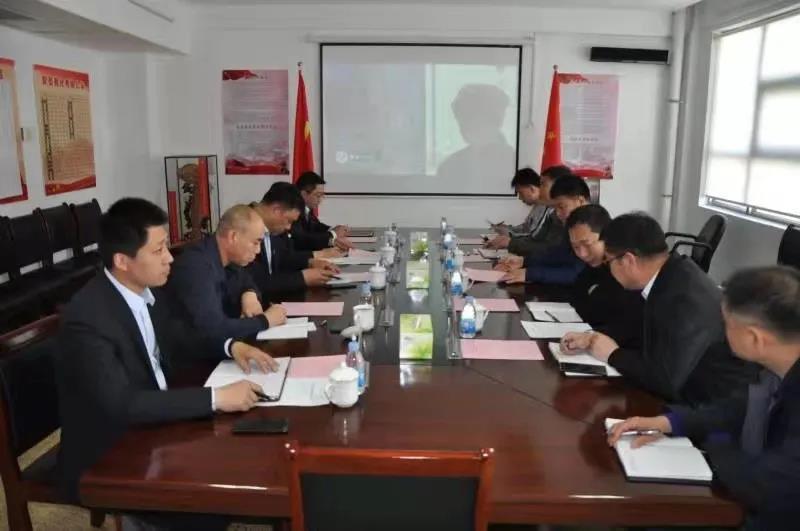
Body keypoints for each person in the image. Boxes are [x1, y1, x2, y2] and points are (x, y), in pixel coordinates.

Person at [57, 198, 276, 528]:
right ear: (122, 260)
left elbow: (182, 338)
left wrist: (232, 346)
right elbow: (122, 405)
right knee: (212, 501)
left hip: (153, 420)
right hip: (111, 447)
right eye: (159, 250)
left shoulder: (148, 292)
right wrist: (215, 398)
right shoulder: (87, 319)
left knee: (246, 454)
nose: (170, 258)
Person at [608, 266, 800, 530]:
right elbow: (735, 409)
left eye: (726, 325)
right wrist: (670, 423)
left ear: (754, 338)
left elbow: (765, 486)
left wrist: (710, 444)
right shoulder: (774, 369)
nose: (722, 332)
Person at [561, 212, 758, 405]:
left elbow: (666, 381)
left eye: (609, 261)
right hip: (685, 392)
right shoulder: (668, 274)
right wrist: (591, 338)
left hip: (709, 405)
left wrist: (613, 355)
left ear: (628, 261)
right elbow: (634, 327)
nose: (609, 269)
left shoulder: (684, 298)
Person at [167, 204, 287, 341]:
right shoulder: (195, 266)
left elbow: (247, 281)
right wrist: (266, 320)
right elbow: (214, 328)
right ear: (233, 236)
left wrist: (249, 294)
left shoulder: (227, 258)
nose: (258, 250)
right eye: (255, 242)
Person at [564, 204, 644, 347]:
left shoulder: (626, 271)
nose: (582, 254)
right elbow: (577, 298)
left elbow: (628, 326)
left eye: (587, 244)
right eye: (575, 247)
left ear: (607, 237)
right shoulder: (594, 267)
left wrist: (588, 337)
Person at [247, 181, 341, 296]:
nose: (289, 227)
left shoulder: (268, 227)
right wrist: (302, 278)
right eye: (289, 221)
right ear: (276, 210)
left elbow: (282, 258)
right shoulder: (244, 227)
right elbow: (253, 283)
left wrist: (310, 263)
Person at [499, 174, 591, 285]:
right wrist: (524, 261)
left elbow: (577, 274)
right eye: (555, 208)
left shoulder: (593, 227)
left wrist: (530, 273)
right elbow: (558, 255)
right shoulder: (572, 225)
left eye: (561, 207)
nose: (558, 214)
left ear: (580, 201)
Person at [487, 165, 574, 258]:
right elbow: (536, 239)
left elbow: (548, 248)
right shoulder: (552, 213)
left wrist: (510, 240)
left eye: (543, 184)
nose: (539, 189)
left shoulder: (565, 215)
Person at [292, 171, 353, 251]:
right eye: (318, 195)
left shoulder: (307, 209)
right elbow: (303, 240)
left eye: (322, 195)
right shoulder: (292, 211)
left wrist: (334, 229)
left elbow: (317, 226)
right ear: (303, 194)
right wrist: (333, 234)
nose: (320, 200)